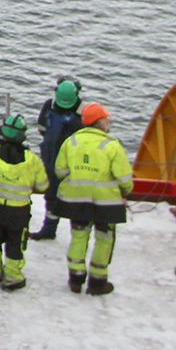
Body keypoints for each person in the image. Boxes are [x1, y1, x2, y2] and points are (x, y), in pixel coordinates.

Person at [55, 103, 134, 296]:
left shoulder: (71, 142)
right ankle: (98, 283)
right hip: (106, 203)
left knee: (79, 236)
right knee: (105, 239)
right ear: (100, 123)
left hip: (76, 200)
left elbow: (60, 171)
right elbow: (125, 179)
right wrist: (125, 192)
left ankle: (76, 279)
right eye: (106, 118)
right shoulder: (112, 145)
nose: (108, 121)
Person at [0, 114, 48, 292]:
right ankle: (12, 277)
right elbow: (43, 185)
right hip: (18, 211)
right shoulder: (32, 160)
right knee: (15, 243)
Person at [31, 77, 84, 240]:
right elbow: (41, 128)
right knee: (51, 196)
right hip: (51, 160)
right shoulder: (49, 105)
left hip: (72, 165)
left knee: (76, 198)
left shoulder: (82, 113)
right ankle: (49, 230)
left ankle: (78, 233)